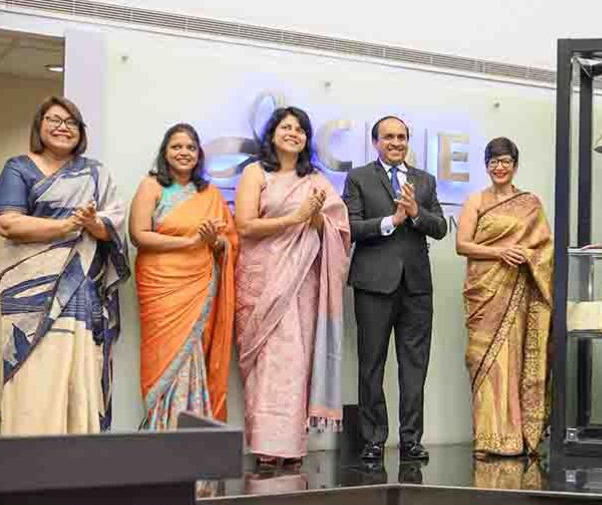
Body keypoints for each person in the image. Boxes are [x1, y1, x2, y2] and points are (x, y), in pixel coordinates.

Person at [0, 96, 129, 435]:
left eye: (71, 122)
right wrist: (66, 226)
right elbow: (7, 222)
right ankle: (26, 463)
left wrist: (90, 222)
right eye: (54, 119)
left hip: (80, 288)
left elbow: (112, 225)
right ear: (39, 126)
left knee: (77, 374)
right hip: (29, 296)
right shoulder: (18, 167)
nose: (62, 127)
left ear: (80, 132)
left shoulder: (96, 173)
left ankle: (78, 465)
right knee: (34, 373)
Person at [234, 106, 350, 466]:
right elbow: (244, 225)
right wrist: (294, 218)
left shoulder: (315, 180)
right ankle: (267, 447)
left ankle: (290, 445)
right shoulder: (255, 173)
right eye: (286, 127)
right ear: (272, 134)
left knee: (295, 359)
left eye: (300, 129)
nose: (293, 133)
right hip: (261, 277)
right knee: (266, 361)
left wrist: (314, 218)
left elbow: (337, 231)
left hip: (300, 282)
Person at [343, 115, 447, 461]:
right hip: (373, 284)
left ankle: (411, 440)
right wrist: (392, 221)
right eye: (388, 137)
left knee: (415, 366)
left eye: (402, 137)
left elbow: (440, 227)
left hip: (416, 287)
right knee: (371, 365)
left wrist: (416, 213)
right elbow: (352, 227)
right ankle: (373, 439)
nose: (396, 142)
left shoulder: (425, 181)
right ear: (376, 142)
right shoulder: (358, 178)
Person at [129, 124, 237, 429]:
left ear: (199, 154)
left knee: (194, 355)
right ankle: (160, 434)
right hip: (159, 284)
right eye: (176, 147)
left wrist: (213, 242)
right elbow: (138, 235)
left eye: (190, 147)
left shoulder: (210, 193)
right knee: (164, 357)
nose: (184, 153)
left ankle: (192, 441)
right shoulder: (152, 187)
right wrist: (189, 243)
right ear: (165, 152)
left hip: (200, 286)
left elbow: (228, 243)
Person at [455, 137, 554, 457]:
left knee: (513, 359)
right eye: (494, 162)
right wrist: (500, 252)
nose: (500, 167)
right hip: (485, 292)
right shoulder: (477, 201)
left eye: (506, 162)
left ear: (515, 165)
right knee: (483, 360)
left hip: (517, 292)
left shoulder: (530, 204)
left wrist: (524, 253)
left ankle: (516, 436)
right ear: (486, 166)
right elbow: (463, 245)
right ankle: (487, 439)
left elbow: (544, 249)